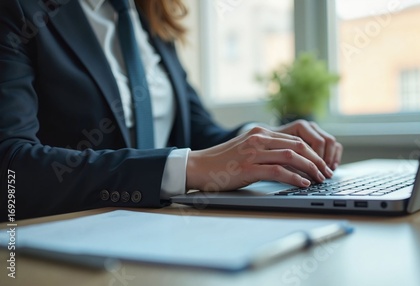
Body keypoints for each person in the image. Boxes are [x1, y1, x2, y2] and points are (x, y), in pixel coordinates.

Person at [0, 0, 342, 220]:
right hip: (68, 237)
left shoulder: (149, 18)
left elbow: (197, 130)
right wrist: (187, 166)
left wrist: (263, 143)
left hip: (160, 228)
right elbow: (10, 166)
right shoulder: (19, 10)